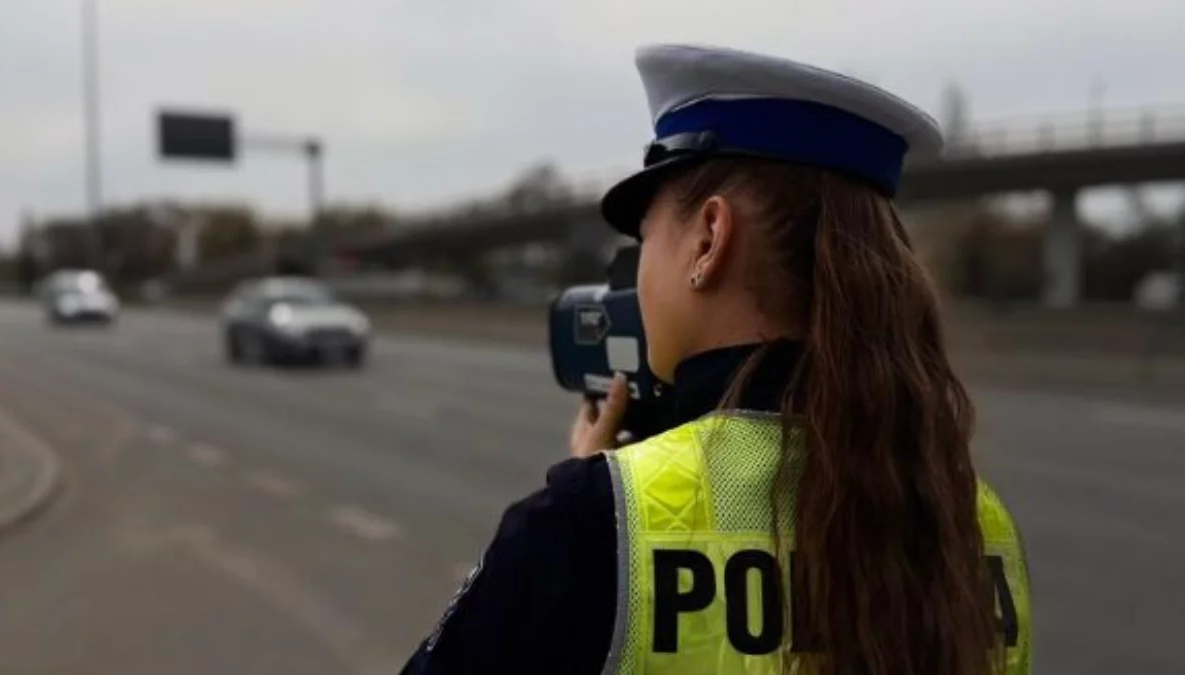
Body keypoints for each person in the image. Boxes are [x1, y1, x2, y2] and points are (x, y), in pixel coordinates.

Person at [400, 43, 1031, 675]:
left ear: (709, 237)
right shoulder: (976, 524)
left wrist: (587, 508)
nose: (636, 277)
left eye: (644, 239)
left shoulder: (592, 526)